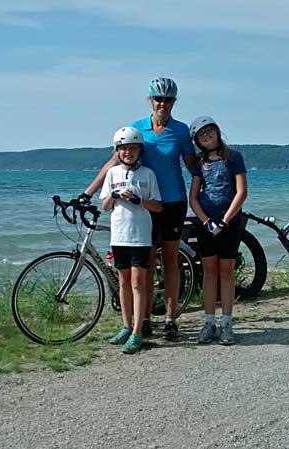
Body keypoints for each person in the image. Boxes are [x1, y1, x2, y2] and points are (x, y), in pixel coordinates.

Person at [81, 77, 197, 341]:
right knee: (144, 264)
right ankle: (142, 321)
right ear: (150, 101)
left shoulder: (180, 131)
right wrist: (87, 193)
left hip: (172, 202)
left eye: (168, 99)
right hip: (143, 207)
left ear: (174, 102)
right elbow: (113, 163)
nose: (163, 104)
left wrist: (217, 177)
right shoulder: (136, 129)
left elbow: (193, 168)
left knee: (170, 260)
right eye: (158, 99)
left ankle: (170, 319)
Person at [100, 127, 162, 354]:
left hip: (141, 235)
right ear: (118, 151)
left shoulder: (148, 174)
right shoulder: (112, 174)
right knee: (123, 282)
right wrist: (114, 196)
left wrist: (139, 200)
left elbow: (158, 205)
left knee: (138, 282)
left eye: (133, 148)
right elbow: (105, 206)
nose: (128, 152)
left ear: (140, 151)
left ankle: (138, 332)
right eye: (124, 149)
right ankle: (126, 327)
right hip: (119, 235)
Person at [188, 116, 247, 345]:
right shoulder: (199, 163)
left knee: (226, 272)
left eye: (208, 131)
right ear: (198, 141)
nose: (206, 136)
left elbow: (241, 192)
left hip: (229, 224)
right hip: (206, 225)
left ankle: (227, 323)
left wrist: (224, 220)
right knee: (209, 273)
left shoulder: (234, 157)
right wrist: (206, 222)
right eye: (201, 135)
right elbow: (193, 198)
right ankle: (209, 322)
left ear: (217, 131)